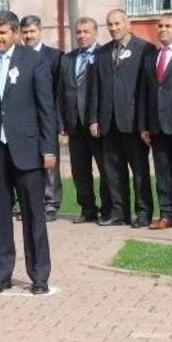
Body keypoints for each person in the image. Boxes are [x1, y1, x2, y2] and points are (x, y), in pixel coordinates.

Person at [0, 10, 56, 295]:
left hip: (28, 151)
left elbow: (46, 108)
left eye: (2, 33)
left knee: (33, 215)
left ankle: (39, 275)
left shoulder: (34, 61)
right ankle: (0, 274)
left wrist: (48, 148)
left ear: (15, 33)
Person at [87, 9, 155, 227]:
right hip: (108, 122)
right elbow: (95, 88)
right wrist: (93, 119)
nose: (113, 28)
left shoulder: (145, 49)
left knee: (140, 171)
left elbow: (148, 88)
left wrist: (146, 123)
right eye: (110, 24)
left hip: (133, 121)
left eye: (117, 23)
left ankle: (143, 212)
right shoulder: (102, 53)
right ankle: (119, 212)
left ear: (128, 24)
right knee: (113, 171)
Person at [57, 17, 112, 223]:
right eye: (78, 32)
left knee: (105, 169)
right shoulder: (67, 59)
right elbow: (61, 93)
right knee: (79, 171)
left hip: (97, 124)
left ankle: (108, 209)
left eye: (86, 31)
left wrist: (97, 119)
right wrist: (61, 122)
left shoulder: (104, 55)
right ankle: (87, 209)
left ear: (95, 32)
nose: (81, 36)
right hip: (74, 124)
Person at [20, 15, 64, 222]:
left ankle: (50, 203)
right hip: (24, 120)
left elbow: (60, 92)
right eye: (25, 32)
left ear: (40, 31)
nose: (29, 36)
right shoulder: (17, 56)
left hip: (47, 118)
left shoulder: (55, 57)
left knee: (49, 160)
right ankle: (30, 203)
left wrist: (59, 122)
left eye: (32, 31)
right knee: (26, 162)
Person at [139, 13, 172, 230]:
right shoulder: (151, 57)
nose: (162, 29)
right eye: (160, 26)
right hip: (158, 126)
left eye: (168, 26)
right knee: (163, 173)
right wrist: (144, 125)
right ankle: (168, 214)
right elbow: (144, 92)